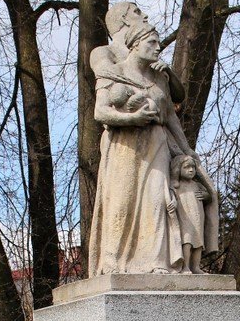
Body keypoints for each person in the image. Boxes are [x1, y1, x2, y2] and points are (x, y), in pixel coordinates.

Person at [89, 24, 195, 275]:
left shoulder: (159, 77)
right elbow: (100, 112)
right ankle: (113, 262)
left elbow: (171, 116)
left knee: (158, 200)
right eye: (152, 43)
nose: (158, 48)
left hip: (156, 142)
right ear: (135, 44)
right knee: (121, 202)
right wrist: (132, 119)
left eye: (158, 43)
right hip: (125, 146)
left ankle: (156, 262)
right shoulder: (111, 73)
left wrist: (187, 150)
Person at [169, 155, 212, 274]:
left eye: (193, 167)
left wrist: (206, 195)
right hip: (184, 217)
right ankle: (185, 266)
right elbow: (171, 197)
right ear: (178, 169)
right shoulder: (176, 185)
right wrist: (173, 201)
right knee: (187, 241)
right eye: (187, 167)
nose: (191, 170)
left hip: (198, 217)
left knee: (198, 243)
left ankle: (196, 267)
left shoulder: (197, 185)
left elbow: (209, 196)